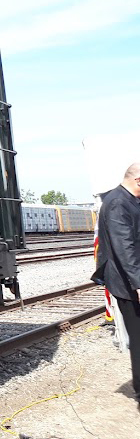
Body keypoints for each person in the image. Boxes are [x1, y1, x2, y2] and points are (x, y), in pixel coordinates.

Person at [92, 162, 140, 404]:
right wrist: (138, 284)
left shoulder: (127, 200)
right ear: (138, 180)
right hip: (128, 284)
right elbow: (125, 247)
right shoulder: (118, 202)